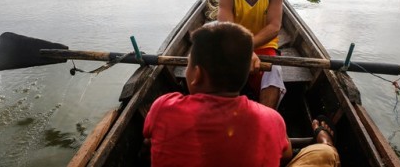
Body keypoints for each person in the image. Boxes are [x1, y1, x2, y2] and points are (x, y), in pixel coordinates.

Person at [142, 22, 340, 167]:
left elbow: (149, 137)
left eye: (188, 65)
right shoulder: (272, 120)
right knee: (323, 154)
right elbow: (285, 156)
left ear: (197, 75)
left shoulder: (163, 106)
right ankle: (325, 142)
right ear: (246, 76)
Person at [217, 0, 285, 109]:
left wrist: (247, 48)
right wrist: (243, 51)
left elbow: (274, 27)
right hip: (236, 47)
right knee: (220, 71)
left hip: (263, 46)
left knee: (274, 70)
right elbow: (228, 33)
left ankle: (265, 118)